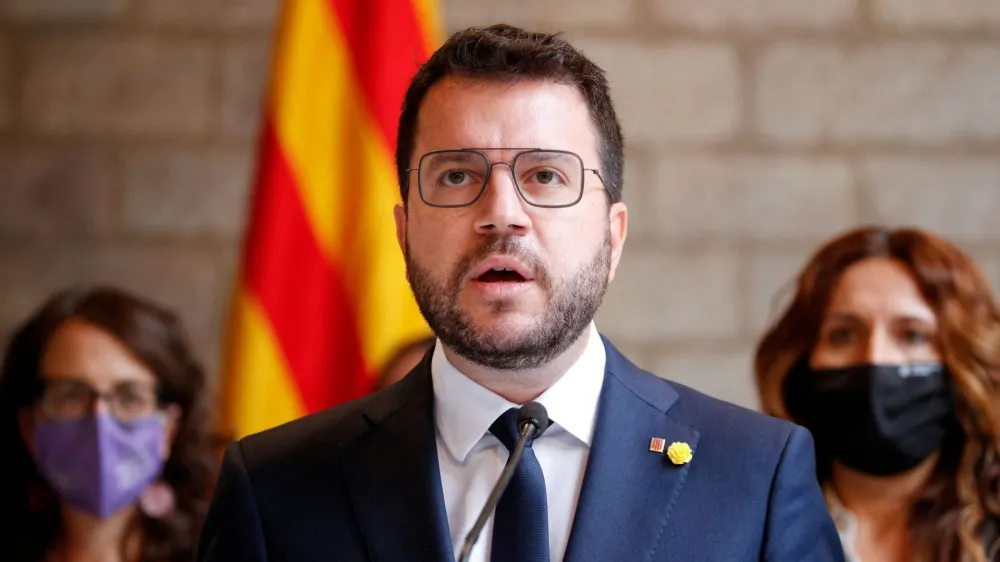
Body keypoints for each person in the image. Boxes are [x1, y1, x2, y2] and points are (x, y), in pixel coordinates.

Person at [196, 24, 844, 562]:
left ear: (612, 236)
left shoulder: (756, 477)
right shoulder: (274, 489)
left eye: (544, 175)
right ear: (403, 232)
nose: (502, 213)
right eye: (456, 176)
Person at [754, 226, 1000, 562]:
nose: (875, 358)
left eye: (912, 336)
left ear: (965, 362)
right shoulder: (749, 523)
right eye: (843, 335)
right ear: (801, 361)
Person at [0, 286, 218, 562]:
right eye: (71, 395)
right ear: (28, 425)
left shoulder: (220, 551)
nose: (100, 420)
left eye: (129, 397)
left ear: (169, 429)